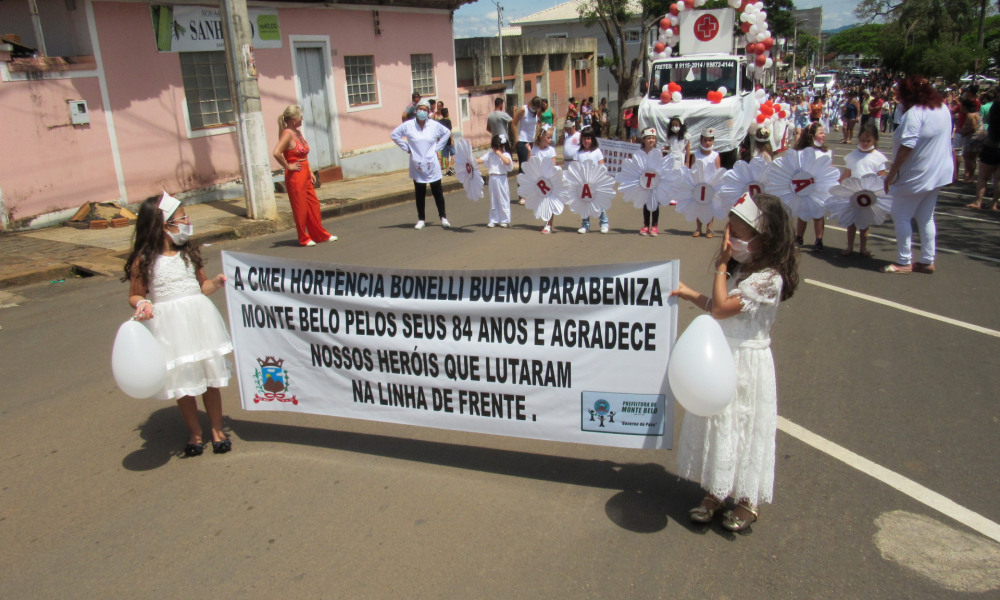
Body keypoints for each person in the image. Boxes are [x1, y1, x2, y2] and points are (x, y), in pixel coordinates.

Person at [671, 192, 799, 532]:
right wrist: (689, 294)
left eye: (737, 235)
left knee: (744, 424)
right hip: (722, 354)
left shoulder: (768, 279)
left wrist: (722, 265)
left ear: (763, 238)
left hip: (747, 362)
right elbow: (718, 305)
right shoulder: (746, 270)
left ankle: (747, 500)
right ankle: (716, 490)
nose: (729, 240)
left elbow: (721, 308)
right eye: (729, 231)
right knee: (720, 422)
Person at [123, 194, 233, 457]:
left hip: (199, 321)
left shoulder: (189, 254)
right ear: (163, 225)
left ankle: (217, 430)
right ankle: (195, 433)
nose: (187, 222)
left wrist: (216, 283)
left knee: (209, 378)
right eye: (182, 218)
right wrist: (142, 305)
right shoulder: (144, 259)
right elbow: (136, 294)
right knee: (182, 381)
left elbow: (202, 287)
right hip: (169, 326)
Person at [882, 75, 954, 274]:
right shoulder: (941, 107)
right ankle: (926, 259)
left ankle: (904, 261)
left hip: (918, 174)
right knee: (925, 217)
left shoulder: (915, 113)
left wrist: (891, 173)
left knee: (900, 215)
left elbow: (907, 145)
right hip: (938, 172)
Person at [272, 105, 337, 247]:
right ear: (294, 119)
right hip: (295, 175)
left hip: (305, 172)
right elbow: (276, 152)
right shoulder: (287, 134)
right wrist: (288, 166)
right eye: (300, 116)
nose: (302, 119)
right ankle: (304, 237)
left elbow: (303, 156)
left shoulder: (298, 133)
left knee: (313, 204)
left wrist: (310, 171)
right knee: (300, 207)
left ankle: (319, 234)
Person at [390, 99, 452, 229]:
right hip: (417, 164)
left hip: (432, 163)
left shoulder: (434, 125)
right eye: (420, 109)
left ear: (428, 112)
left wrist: (438, 147)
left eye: (425, 110)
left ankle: (443, 217)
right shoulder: (409, 125)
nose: (422, 112)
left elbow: (447, 133)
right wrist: (407, 148)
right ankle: (421, 219)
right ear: (416, 110)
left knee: (437, 192)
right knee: (419, 192)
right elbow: (394, 135)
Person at [840, 122, 888, 257]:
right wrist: (838, 185)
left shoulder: (879, 158)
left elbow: (882, 178)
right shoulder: (852, 155)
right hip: (853, 192)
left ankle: (863, 247)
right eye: (862, 140)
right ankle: (849, 246)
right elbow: (847, 174)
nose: (865, 143)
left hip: (870, 194)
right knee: (851, 221)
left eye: (868, 140)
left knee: (865, 221)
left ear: (874, 140)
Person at [792, 122, 831, 251]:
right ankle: (799, 237)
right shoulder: (801, 152)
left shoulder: (826, 152)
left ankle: (819, 240)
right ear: (811, 136)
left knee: (818, 213)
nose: (824, 135)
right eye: (820, 133)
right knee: (802, 212)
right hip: (803, 186)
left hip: (818, 188)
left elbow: (828, 170)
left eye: (824, 132)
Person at [968, 98, 1000, 210]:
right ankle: (994, 204)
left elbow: (987, 120)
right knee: (998, 179)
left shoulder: (995, 107)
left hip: (991, 144)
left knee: (982, 177)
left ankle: (978, 202)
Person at [688, 129, 721, 238]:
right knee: (698, 205)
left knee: (709, 207)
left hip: (711, 185)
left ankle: (709, 228)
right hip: (698, 184)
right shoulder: (696, 154)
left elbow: (718, 170)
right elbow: (692, 170)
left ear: (713, 141)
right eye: (705, 140)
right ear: (701, 141)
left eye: (710, 140)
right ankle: (698, 228)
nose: (707, 142)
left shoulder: (715, 155)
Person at [576, 128, 609, 234]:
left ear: (593, 139)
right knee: (585, 204)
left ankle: (604, 223)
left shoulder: (597, 152)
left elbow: (601, 166)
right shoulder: (578, 153)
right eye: (585, 138)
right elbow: (575, 168)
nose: (587, 141)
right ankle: (585, 224)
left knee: (598, 204)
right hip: (583, 184)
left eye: (589, 138)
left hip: (595, 183)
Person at [477, 134, 514, 228]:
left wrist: (499, 153)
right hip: (492, 178)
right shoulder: (490, 155)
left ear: (502, 147)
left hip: (502, 178)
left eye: (496, 147)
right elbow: (480, 160)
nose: (494, 149)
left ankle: (504, 220)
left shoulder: (505, 155)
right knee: (493, 199)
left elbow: (508, 162)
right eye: (493, 147)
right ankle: (494, 219)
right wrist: (470, 160)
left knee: (503, 199)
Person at [512, 96, 543, 203]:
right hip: (523, 141)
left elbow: (537, 124)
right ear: (530, 103)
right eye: (534, 107)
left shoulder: (537, 112)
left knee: (533, 168)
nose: (535, 109)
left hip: (532, 142)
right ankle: (522, 195)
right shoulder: (523, 110)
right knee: (523, 168)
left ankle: (531, 193)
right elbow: (513, 123)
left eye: (537, 108)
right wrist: (516, 138)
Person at [532, 125, 559, 234]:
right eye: (548, 137)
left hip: (549, 180)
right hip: (539, 181)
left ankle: (549, 225)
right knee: (542, 202)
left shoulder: (551, 150)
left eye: (550, 137)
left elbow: (553, 165)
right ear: (541, 137)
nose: (550, 140)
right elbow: (531, 163)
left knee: (550, 202)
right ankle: (545, 222)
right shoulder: (535, 149)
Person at [638, 128, 662, 236]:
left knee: (655, 203)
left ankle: (655, 226)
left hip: (655, 182)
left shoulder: (659, 152)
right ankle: (646, 225)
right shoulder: (641, 153)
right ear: (643, 140)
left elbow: (661, 168)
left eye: (653, 138)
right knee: (645, 203)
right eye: (648, 138)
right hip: (644, 182)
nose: (651, 140)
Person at [960, 98, 984, 182]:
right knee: (972, 158)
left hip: (973, 138)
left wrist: (963, 132)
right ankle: (970, 176)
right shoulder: (976, 113)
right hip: (978, 138)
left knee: (969, 158)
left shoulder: (970, 115)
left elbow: (973, 128)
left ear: (965, 107)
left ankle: (970, 176)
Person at [439, 107, 455, 176]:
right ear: (447, 113)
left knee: (446, 156)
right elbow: (450, 131)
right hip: (448, 140)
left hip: (443, 140)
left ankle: (447, 170)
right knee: (453, 154)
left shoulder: (440, 122)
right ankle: (452, 167)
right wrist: (451, 140)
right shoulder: (448, 121)